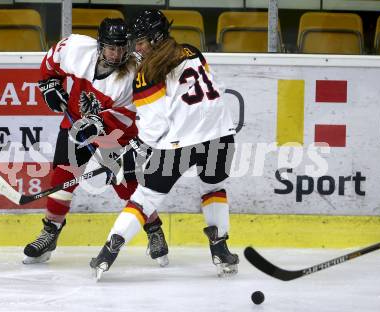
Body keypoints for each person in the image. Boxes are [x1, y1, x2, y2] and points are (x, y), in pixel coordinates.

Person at [90, 9, 239, 280]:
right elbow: (214, 88)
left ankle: (108, 252)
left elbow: (155, 126)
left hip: (180, 144)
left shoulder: (148, 73)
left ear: (157, 38)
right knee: (213, 187)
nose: (136, 47)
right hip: (221, 136)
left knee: (145, 197)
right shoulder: (192, 51)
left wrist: (134, 151)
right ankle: (220, 249)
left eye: (142, 41)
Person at [23, 18, 168, 265]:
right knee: (62, 178)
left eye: (123, 47)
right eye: (112, 47)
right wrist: (50, 85)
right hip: (76, 124)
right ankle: (50, 232)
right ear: (100, 45)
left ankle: (154, 230)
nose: (118, 53)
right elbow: (51, 62)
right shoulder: (77, 48)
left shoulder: (134, 74)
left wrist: (100, 124)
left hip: (115, 134)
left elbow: (131, 115)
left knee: (126, 186)